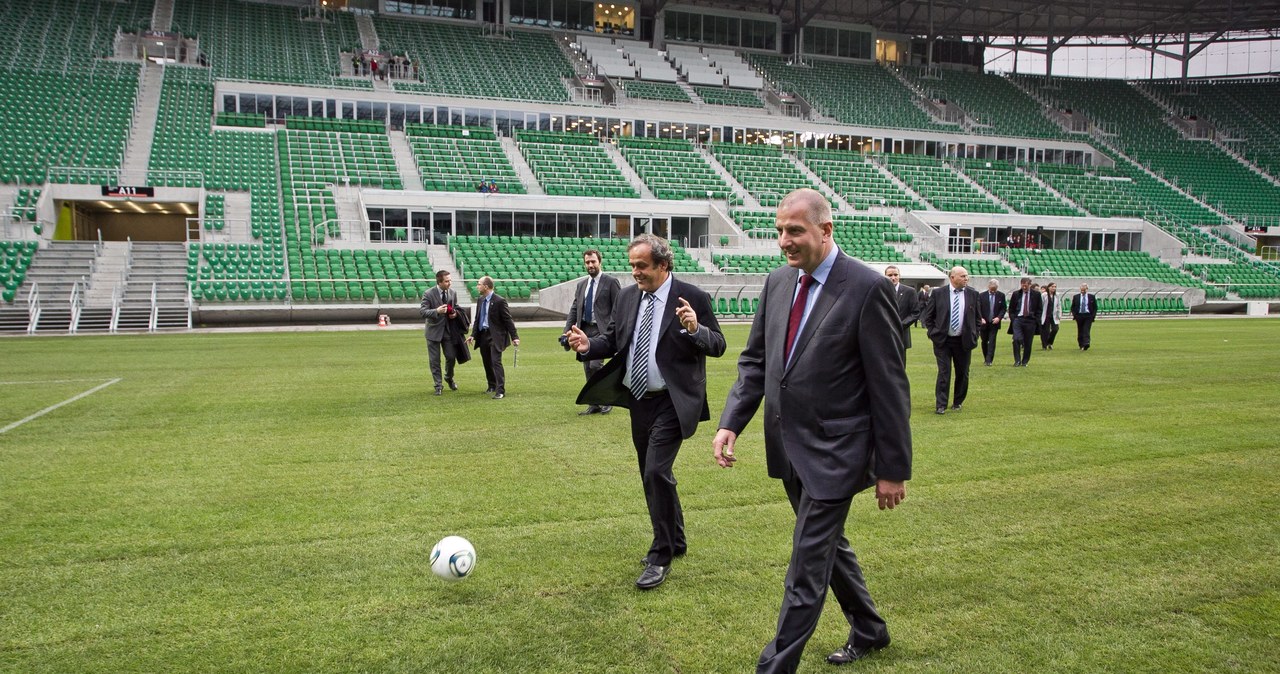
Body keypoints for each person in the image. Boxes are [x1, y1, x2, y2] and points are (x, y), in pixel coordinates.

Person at [713, 189, 911, 673]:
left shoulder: (867, 288)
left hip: (837, 453)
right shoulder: (779, 282)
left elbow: (889, 387)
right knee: (827, 548)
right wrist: (730, 423)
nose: (784, 240)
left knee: (806, 566)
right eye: (780, 230)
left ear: (826, 230)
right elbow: (756, 363)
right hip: (787, 446)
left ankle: (774, 666)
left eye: (794, 230)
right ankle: (869, 628)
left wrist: (892, 468)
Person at [566, 234, 726, 590]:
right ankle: (677, 538)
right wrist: (589, 344)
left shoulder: (692, 297)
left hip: (674, 400)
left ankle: (661, 553)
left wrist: (694, 328)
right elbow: (614, 340)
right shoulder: (626, 297)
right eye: (632, 265)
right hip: (640, 399)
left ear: (663, 265)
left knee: (656, 471)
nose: (635, 272)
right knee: (651, 474)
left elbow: (718, 344)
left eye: (642, 266)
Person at [563, 249, 622, 415]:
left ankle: (607, 399)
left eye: (593, 262)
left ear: (599, 262)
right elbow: (575, 308)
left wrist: (615, 330)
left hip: (603, 330)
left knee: (596, 365)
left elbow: (618, 307)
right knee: (588, 367)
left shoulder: (611, 282)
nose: (590, 265)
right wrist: (566, 330)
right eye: (587, 262)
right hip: (585, 329)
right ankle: (594, 403)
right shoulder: (581, 285)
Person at [920, 266, 980, 415]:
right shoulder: (938, 293)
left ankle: (958, 402)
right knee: (944, 372)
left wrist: (974, 334)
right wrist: (933, 333)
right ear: (952, 277)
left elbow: (977, 318)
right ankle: (941, 404)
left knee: (963, 372)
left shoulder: (973, 294)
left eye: (967, 276)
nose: (966, 278)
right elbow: (929, 316)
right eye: (962, 276)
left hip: (963, 341)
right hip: (943, 341)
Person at [468, 276, 519, 399]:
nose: (477, 286)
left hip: (495, 336)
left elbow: (508, 320)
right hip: (483, 335)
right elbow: (477, 319)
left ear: (486, 286)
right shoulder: (480, 300)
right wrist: (473, 335)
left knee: (496, 362)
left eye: (479, 284)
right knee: (487, 362)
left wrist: (514, 337)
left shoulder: (499, 301)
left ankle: (500, 390)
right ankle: (491, 385)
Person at [420, 270, 463, 395]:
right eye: (447, 281)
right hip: (433, 332)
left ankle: (449, 377)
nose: (450, 283)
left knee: (451, 357)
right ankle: (438, 385)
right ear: (439, 282)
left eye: (450, 280)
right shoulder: (428, 293)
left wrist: (455, 314)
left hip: (448, 331)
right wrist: (436, 311)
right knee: (434, 360)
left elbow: (456, 308)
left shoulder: (453, 293)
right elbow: (423, 312)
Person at [884, 265, 920, 359]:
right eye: (890, 275)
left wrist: (900, 324)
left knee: (900, 367)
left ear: (899, 276)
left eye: (895, 275)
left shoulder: (910, 291)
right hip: (883, 335)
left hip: (902, 335)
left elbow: (915, 313)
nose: (893, 277)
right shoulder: (879, 290)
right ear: (885, 276)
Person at [1007, 277, 1043, 367]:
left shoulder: (1036, 295)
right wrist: (1013, 318)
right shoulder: (1016, 294)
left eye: (1026, 286)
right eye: (1022, 285)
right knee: (1016, 339)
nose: (1024, 288)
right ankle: (1017, 360)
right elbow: (1011, 308)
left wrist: (1036, 319)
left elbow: (1039, 309)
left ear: (1030, 285)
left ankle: (1025, 361)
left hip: (1030, 320)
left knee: (1028, 342)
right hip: (1018, 319)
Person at [978, 279, 1006, 366]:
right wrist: (981, 318)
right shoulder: (981, 296)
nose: (993, 291)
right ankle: (986, 357)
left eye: (995, 289)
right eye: (992, 289)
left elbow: (1003, 308)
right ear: (988, 287)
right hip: (984, 323)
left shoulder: (1001, 295)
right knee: (984, 341)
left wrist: (999, 317)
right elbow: (978, 308)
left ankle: (989, 360)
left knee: (992, 341)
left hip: (994, 323)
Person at [1071, 283, 1098, 350]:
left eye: (1084, 288)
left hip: (1088, 315)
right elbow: (1073, 307)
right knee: (1080, 330)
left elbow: (1095, 307)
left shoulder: (1091, 297)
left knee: (1086, 329)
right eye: (1082, 289)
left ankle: (1086, 343)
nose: (1083, 290)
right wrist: (1075, 315)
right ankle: (1081, 344)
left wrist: (1093, 316)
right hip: (1079, 315)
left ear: (1087, 289)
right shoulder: (1076, 297)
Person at [1040, 282, 1061, 349]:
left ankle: (1050, 342)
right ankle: (1044, 345)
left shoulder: (1057, 295)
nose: (1053, 288)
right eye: (1052, 286)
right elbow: (1041, 305)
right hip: (1045, 315)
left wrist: (1059, 314)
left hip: (1053, 315)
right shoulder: (1044, 295)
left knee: (1055, 329)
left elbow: (1059, 305)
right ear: (1048, 287)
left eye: (1055, 287)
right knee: (1045, 331)